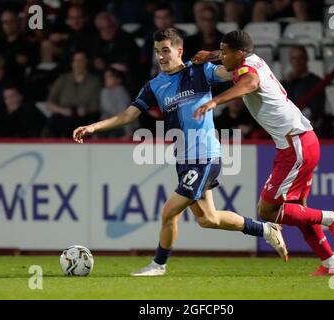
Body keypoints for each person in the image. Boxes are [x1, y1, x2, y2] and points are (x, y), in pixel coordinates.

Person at [73, 28, 288, 276]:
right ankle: (265, 230)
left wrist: (214, 56)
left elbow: (234, 67)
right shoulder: (154, 86)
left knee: (168, 212)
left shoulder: (199, 72)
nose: (161, 57)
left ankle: (158, 264)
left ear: (179, 51)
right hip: (184, 159)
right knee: (209, 219)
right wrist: (93, 127)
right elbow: (128, 115)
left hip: (205, 156)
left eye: (166, 51)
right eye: (157, 52)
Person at [192, 31, 334, 276]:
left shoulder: (246, 70)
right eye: (220, 51)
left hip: (295, 145)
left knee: (267, 211)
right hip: (302, 140)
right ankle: (332, 265)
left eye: (224, 52)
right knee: (297, 210)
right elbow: (235, 61)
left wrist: (214, 102)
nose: (221, 57)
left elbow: (250, 83)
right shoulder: (252, 59)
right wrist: (210, 55)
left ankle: (332, 218)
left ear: (240, 53)